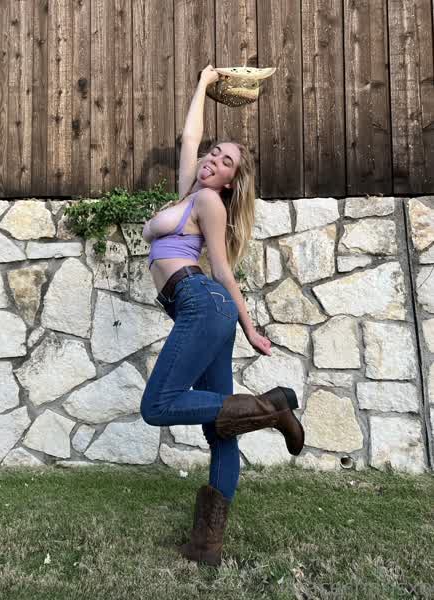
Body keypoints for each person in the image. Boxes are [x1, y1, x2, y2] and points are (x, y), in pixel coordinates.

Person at [140, 65, 304, 567]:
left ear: (232, 181)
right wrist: (203, 84)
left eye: (225, 160)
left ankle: (269, 409)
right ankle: (206, 546)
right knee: (221, 429)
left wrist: (250, 327)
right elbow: (189, 136)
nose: (212, 159)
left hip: (203, 302)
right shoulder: (190, 191)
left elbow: (223, 272)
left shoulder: (209, 201)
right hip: (201, 307)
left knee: (158, 405)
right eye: (214, 153)